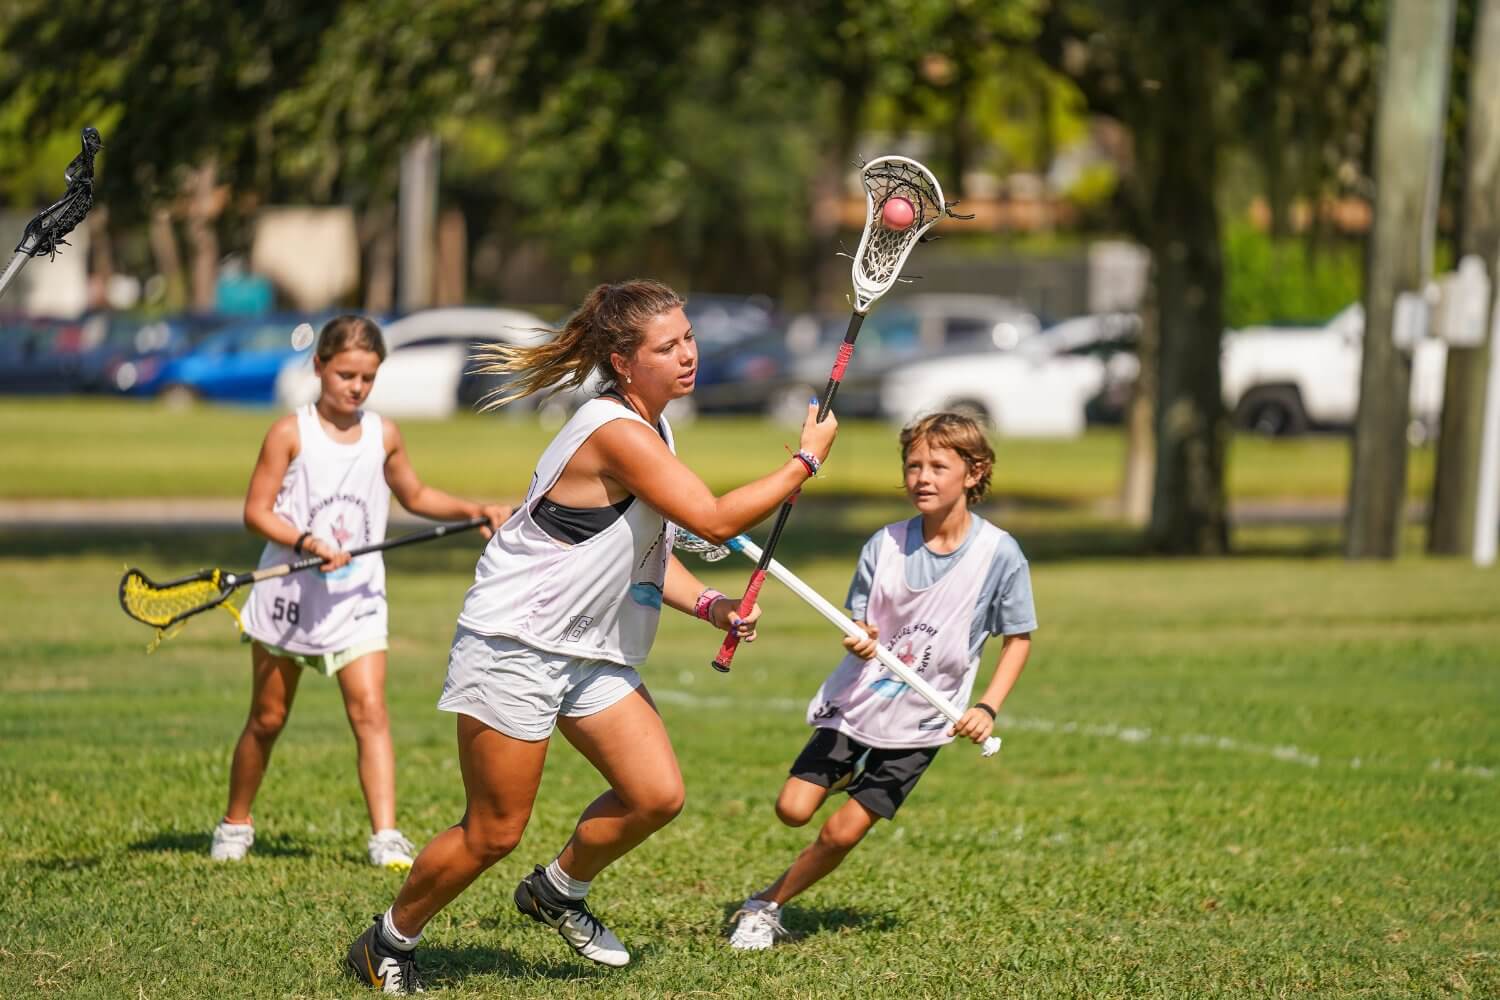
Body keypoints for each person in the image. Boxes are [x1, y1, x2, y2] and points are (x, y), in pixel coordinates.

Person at [345, 279, 839, 993]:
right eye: (667, 347)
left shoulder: (652, 427)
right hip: (516, 644)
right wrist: (806, 461)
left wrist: (708, 605)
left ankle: (557, 891)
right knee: (492, 831)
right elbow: (714, 520)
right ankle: (387, 942)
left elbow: (641, 552)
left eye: (689, 338)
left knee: (655, 793)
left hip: (587, 647)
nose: (688, 355)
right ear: (623, 359)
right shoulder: (615, 432)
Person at [725, 411, 1035, 951]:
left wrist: (987, 707)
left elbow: (1018, 638)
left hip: (921, 720)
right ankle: (844, 775)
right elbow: (860, 621)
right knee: (792, 810)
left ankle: (768, 903)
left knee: (841, 831)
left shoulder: (998, 554)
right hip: (859, 702)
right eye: (913, 465)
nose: (923, 477)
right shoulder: (884, 544)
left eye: (939, 465)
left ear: (974, 471)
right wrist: (860, 635)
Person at [212, 315, 510, 870]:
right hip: (291, 596)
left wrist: (474, 510)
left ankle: (386, 834)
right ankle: (236, 821)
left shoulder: (383, 434)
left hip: (358, 600)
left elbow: (415, 493)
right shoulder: (288, 433)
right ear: (319, 366)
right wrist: (306, 539)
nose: (356, 387)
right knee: (268, 719)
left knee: (371, 712)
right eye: (346, 373)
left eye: (368, 378)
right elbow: (256, 512)